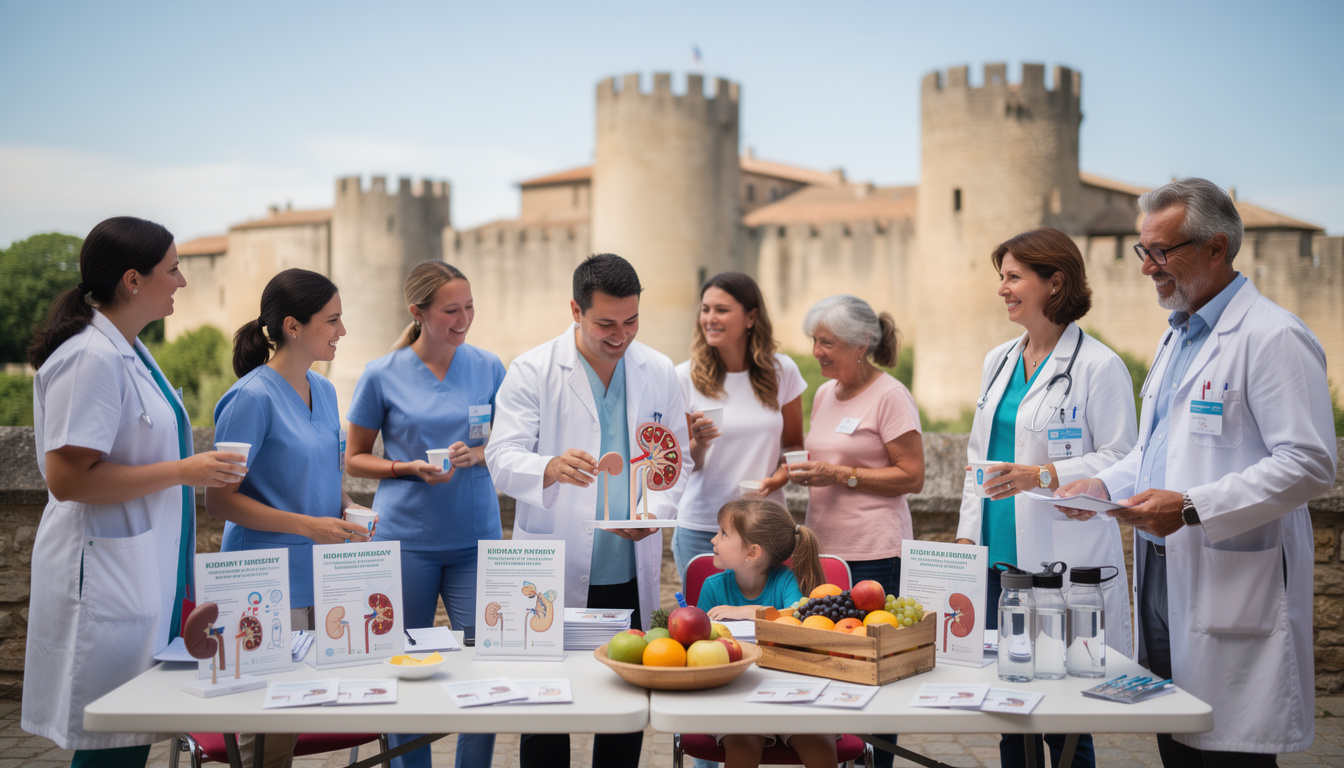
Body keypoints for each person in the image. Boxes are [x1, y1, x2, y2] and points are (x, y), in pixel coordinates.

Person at [1055, 178, 1336, 767]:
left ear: (1216, 247)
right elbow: (1156, 452)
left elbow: (1311, 466)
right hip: (1163, 579)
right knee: (1175, 746)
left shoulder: (1272, 336)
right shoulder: (1175, 337)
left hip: (1234, 581)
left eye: (1162, 252)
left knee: (1231, 756)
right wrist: (1104, 485)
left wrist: (1190, 507)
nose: (1147, 268)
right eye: (1143, 251)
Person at [22, 217, 246, 767]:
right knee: (111, 748)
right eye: (173, 270)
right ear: (133, 280)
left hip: (136, 570)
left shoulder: (127, 349)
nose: (183, 282)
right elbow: (67, 477)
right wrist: (182, 471)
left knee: (126, 742)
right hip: (104, 575)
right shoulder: (90, 357)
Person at [486, 253, 689, 768]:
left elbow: (674, 459)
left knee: (621, 709)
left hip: (626, 563)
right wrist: (550, 467)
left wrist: (654, 513)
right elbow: (501, 457)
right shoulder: (532, 369)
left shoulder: (659, 369)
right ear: (575, 310)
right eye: (606, 323)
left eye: (631, 321)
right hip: (550, 569)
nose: (621, 336)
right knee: (544, 711)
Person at [954, 227, 1136, 768]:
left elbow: (1124, 458)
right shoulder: (998, 360)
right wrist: (967, 536)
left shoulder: (1100, 366)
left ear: (1054, 283)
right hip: (998, 564)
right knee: (1011, 706)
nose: (1003, 289)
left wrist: (1044, 475)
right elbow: (976, 457)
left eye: (1014, 277)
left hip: (1062, 568)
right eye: (1001, 278)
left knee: (1065, 715)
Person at [207, 268, 375, 768]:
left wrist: (347, 510)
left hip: (316, 576)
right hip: (259, 580)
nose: (342, 331)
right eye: (333, 320)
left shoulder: (323, 392)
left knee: (291, 717)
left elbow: (324, 474)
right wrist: (309, 525)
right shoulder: (250, 399)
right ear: (293, 326)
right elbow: (219, 501)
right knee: (264, 737)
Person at [346, 261, 504, 768]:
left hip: (476, 539)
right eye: (451, 310)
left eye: (470, 307)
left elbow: (511, 445)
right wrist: (404, 467)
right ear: (417, 312)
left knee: (484, 665)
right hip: (406, 540)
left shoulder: (490, 367)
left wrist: (477, 455)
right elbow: (353, 458)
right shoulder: (380, 374)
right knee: (404, 667)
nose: (465, 319)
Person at [788, 295, 921, 768]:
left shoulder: (890, 395)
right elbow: (824, 463)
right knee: (828, 665)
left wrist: (842, 476)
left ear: (861, 344)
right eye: (815, 341)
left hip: (874, 555)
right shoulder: (825, 394)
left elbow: (912, 475)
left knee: (875, 672)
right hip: (826, 556)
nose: (817, 351)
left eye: (827, 342)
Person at [675, 272, 806, 586]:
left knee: (769, 624)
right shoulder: (684, 377)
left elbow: (793, 447)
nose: (709, 318)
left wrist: (774, 481)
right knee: (702, 626)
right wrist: (701, 443)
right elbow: (682, 463)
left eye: (721, 310)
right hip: (704, 528)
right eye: (705, 309)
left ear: (751, 317)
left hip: (766, 529)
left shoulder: (782, 371)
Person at [698, 499, 836, 768]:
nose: (714, 539)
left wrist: (748, 611)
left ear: (752, 553)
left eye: (724, 533)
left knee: (820, 749)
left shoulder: (785, 580)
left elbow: (798, 615)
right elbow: (699, 646)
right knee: (742, 750)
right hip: (735, 696)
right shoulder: (712, 587)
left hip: (791, 692)